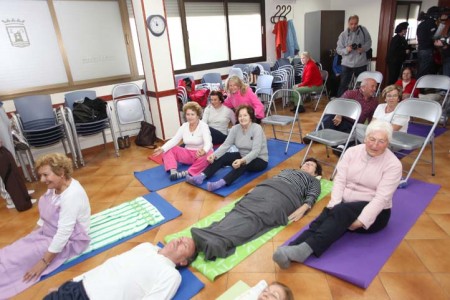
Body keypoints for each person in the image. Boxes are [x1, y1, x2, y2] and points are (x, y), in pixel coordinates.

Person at [272, 120, 402, 269]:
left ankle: (304, 250)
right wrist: (334, 203)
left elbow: (382, 198)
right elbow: (340, 180)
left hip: (375, 215)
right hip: (344, 206)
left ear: (388, 143)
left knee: (340, 211)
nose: (375, 145)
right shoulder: (352, 152)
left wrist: (361, 221)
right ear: (365, 138)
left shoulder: (393, 165)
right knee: (324, 216)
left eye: (381, 141)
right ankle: (289, 249)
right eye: (372, 139)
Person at [190, 158, 322, 260]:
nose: (306, 165)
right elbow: (273, 179)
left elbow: (312, 196)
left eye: (311, 165)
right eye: (306, 163)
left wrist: (303, 209)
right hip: (267, 188)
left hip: (286, 195)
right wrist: (256, 188)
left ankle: (220, 242)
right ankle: (212, 232)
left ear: (315, 173)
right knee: (242, 208)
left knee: (258, 215)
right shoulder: (288, 170)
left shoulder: (314, 181)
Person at [0, 153, 91, 298]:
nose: (42, 180)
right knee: (12, 251)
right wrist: (30, 237)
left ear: (61, 173)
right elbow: (44, 218)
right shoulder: (55, 186)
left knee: (18, 259)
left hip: (69, 240)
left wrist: (43, 263)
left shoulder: (72, 195)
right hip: (48, 232)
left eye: (45, 175)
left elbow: (63, 234)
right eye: (41, 175)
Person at [43, 238, 197, 300]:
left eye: (185, 245)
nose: (179, 241)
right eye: (181, 238)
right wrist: (71, 281)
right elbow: (109, 264)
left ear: (183, 262)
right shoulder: (147, 247)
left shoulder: (171, 274)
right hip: (75, 289)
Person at [186, 105, 268, 192]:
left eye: (245, 115)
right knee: (222, 157)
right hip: (242, 154)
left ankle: (220, 183)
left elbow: (256, 151)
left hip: (259, 159)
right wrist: (214, 155)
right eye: (240, 116)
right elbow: (226, 145)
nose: (242, 118)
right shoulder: (235, 129)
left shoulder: (257, 128)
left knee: (242, 164)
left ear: (251, 117)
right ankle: (201, 176)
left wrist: (241, 160)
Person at [152, 102, 213, 181]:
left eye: (192, 114)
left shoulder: (203, 126)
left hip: (201, 154)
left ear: (198, 115)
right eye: (188, 114)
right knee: (168, 149)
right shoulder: (184, 126)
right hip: (188, 154)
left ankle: (186, 173)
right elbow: (175, 139)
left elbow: (208, 142)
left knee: (209, 155)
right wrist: (163, 148)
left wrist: (204, 151)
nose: (190, 117)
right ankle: (173, 172)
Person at [336, 15, 372, 97]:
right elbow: (338, 50)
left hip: (361, 63)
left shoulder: (363, 31)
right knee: (343, 85)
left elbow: (369, 42)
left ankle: (363, 101)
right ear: (348, 23)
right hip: (347, 64)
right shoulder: (343, 35)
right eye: (351, 24)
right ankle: (340, 101)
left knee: (363, 85)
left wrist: (363, 48)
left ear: (358, 23)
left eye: (355, 24)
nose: (353, 26)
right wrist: (346, 50)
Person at [416, 7, 439, 78]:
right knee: (424, 71)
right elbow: (434, 37)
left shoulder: (422, 24)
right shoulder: (431, 23)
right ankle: (419, 88)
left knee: (422, 70)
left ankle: (420, 87)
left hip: (421, 49)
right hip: (427, 50)